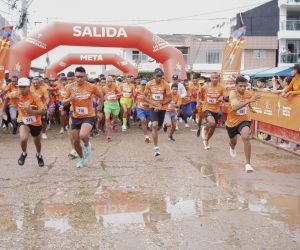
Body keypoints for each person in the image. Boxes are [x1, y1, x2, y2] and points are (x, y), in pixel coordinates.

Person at [62, 66, 103, 168]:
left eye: (81, 76)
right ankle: (81, 158)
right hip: (76, 116)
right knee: (75, 142)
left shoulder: (91, 86)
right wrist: (69, 99)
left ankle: (87, 144)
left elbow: (101, 96)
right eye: (77, 76)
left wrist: (100, 107)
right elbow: (63, 102)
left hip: (88, 115)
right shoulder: (69, 87)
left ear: (85, 76)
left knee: (83, 135)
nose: (79, 78)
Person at [5, 77, 46, 167]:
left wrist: (32, 112)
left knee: (37, 142)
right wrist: (3, 110)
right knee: (23, 138)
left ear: (29, 86)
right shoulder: (16, 93)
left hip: (36, 122)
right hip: (23, 120)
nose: (22, 89)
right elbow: (7, 96)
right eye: (20, 87)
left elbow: (43, 111)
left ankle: (39, 155)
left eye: (24, 87)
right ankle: (24, 153)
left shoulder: (35, 96)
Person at [226, 76, 261, 173]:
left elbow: (250, 98)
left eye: (244, 86)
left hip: (244, 120)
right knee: (233, 142)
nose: (243, 88)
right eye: (240, 86)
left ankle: (248, 164)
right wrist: (249, 101)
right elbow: (234, 107)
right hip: (232, 122)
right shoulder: (232, 93)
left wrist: (250, 108)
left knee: (246, 136)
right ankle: (232, 147)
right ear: (236, 85)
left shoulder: (247, 93)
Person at [144, 68, 172, 156]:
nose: (159, 78)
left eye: (161, 76)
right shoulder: (149, 84)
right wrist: (153, 103)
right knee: (155, 126)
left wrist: (161, 104)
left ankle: (152, 124)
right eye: (157, 76)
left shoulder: (166, 84)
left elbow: (170, 98)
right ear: (154, 76)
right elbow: (144, 97)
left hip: (162, 107)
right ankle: (156, 148)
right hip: (153, 106)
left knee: (159, 127)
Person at [200, 72, 225, 150]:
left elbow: (223, 96)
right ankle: (205, 128)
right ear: (210, 78)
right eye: (213, 78)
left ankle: (206, 140)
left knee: (213, 127)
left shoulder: (221, 87)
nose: (214, 79)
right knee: (212, 123)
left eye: (216, 78)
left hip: (216, 109)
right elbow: (198, 93)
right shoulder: (205, 86)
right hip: (207, 108)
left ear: (218, 78)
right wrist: (199, 102)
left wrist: (222, 98)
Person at [102, 76, 121, 141]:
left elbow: (120, 93)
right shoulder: (104, 88)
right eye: (108, 81)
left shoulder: (115, 86)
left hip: (115, 104)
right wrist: (105, 98)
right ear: (106, 81)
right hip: (107, 104)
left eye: (110, 81)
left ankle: (114, 124)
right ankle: (109, 134)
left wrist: (115, 96)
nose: (109, 83)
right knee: (107, 118)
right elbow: (102, 96)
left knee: (115, 118)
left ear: (112, 81)